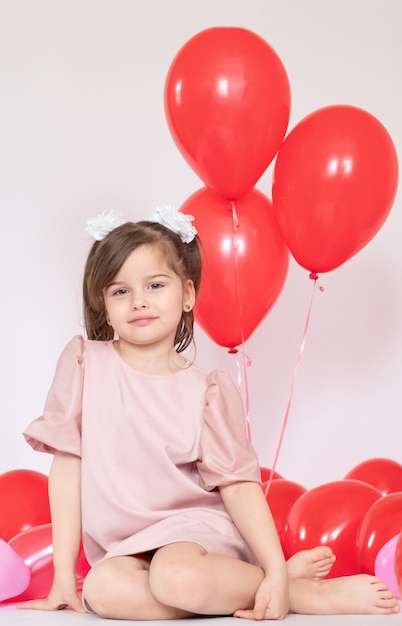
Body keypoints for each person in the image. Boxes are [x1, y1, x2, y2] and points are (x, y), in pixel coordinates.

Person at [20, 207, 399, 620]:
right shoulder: (83, 363)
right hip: (124, 544)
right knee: (102, 590)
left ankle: (297, 592)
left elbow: (237, 484)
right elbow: (68, 465)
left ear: (186, 295)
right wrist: (62, 575)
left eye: (155, 285)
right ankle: (262, 586)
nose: (139, 301)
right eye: (120, 291)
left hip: (193, 532)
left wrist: (271, 562)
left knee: (176, 577)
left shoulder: (207, 391)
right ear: (103, 304)